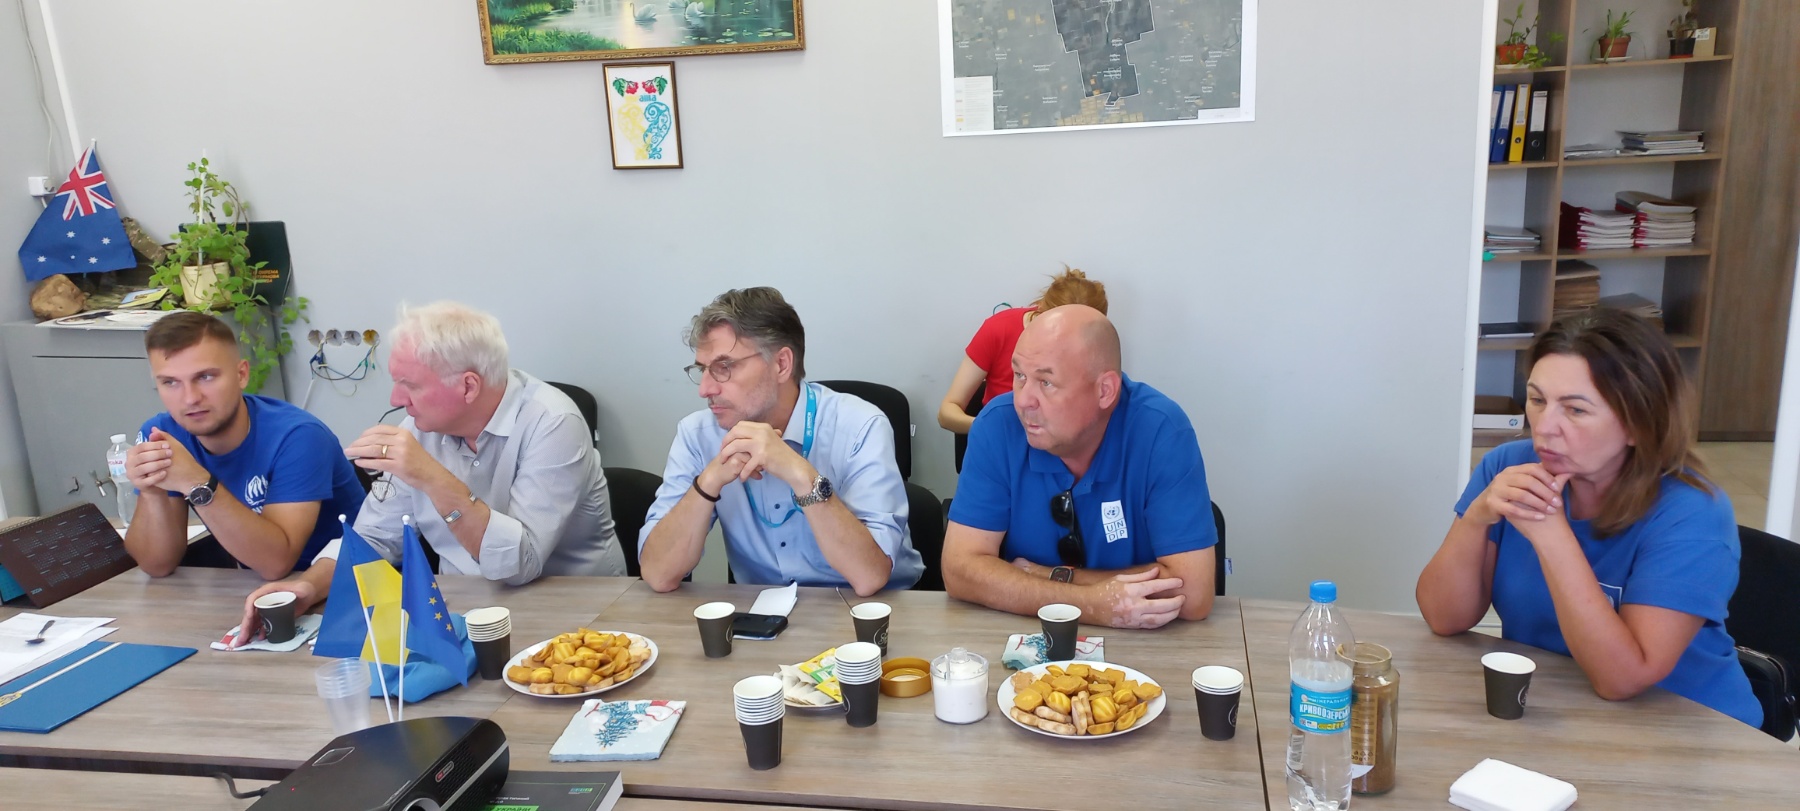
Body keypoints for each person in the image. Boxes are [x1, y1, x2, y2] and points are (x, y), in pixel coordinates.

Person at [1416, 308, 1760, 728]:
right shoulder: (1507, 466)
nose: (1545, 427)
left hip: (1689, 726)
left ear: (1638, 423)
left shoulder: (1693, 513)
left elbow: (1622, 680)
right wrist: (1476, 517)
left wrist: (1551, 535)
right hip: (1559, 708)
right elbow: (1444, 618)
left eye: (1575, 410)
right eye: (1537, 400)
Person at [233, 302, 625, 643]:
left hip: (580, 613)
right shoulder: (419, 428)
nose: (395, 399)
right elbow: (373, 537)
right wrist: (308, 585)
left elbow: (518, 564)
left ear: (468, 386)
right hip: (463, 613)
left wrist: (431, 477)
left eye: (409, 385)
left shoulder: (553, 422)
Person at [942, 305, 1217, 627]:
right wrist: (1091, 603)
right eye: (1019, 376)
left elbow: (1193, 594)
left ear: (1105, 391)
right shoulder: (997, 425)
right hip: (1023, 636)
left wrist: (1050, 576)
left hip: (1146, 642)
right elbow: (960, 570)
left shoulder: (1161, 431)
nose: (1023, 400)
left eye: (1046, 382)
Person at [638, 287, 924, 596]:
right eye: (702, 370)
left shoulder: (860, 426)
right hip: (762, 610)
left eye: (724, 368)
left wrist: (800, 474)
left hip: (875, 608)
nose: (704, 389)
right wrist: (708, 483)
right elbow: (657, 575)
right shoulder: (698, 435)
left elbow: (869, 577)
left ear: (781, 365)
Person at [123, 311, 364, 580]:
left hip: (348, 585)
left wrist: (196, 482)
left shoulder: (299, 436)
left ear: (241, 374)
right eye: (170, 382)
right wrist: (152, 492)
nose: (190, 398)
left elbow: (276, 563)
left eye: (205, 377)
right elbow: (157, 565)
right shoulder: (161, 433)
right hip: (258, 589)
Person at [937, 266, 1108, 437]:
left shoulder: (1096, 345)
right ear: (1040, 310)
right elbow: (947, 412)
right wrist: (991, 428)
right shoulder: (1000, 329)